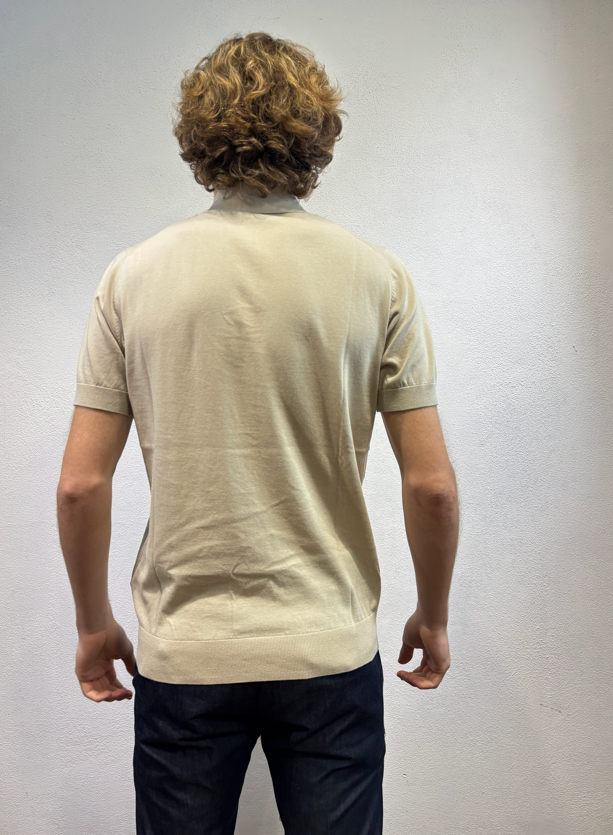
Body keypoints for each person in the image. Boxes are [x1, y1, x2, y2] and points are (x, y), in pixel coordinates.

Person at [56, 31, 459, 835]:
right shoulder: (377, 277)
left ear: (199, 136)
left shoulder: (131, 277)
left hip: (185, 647)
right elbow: (432, 485)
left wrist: (93, 623)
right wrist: (433, 612)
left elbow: (79, 483)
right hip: (326, 645)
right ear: (318, 134)